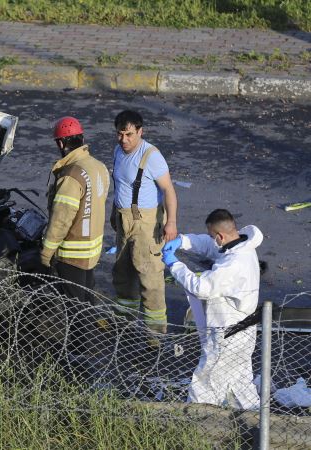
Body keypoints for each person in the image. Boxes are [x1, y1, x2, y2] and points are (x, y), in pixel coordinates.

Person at [162, 209, 262, 410]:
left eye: (211, 235)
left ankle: (199, 425)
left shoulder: (233, 264)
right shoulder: (241, 245)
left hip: (227, 332)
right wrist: (183, 241)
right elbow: (209, 246)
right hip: (245, 330)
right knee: (239, 380)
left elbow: (202, 288)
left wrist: (175, 265)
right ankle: (253, 421)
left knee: (206, 381)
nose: (210, 240)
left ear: (221, 236)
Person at [110, 110, 178, 333]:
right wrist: (115, 213)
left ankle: (155, 333)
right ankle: (123, 321)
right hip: (124, 221)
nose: (124, 140)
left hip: (146, 224)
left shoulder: (152, 157)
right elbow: (121, 186)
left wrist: (171, 223)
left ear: (140, 131)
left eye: (129, 134)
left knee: (150, 276)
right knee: (123, 271)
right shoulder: (118, 152)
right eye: (120, 134)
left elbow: (168, 190)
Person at [41, 117, 110, 305]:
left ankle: (83, 335)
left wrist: (46, 253)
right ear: (81, 138)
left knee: (75, 311)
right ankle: (91, 334)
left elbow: (61, 220)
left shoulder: (71, 175)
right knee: (87, 304)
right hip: (92, 251)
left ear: (61, 143)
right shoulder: (99, 167)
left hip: (72, 255)